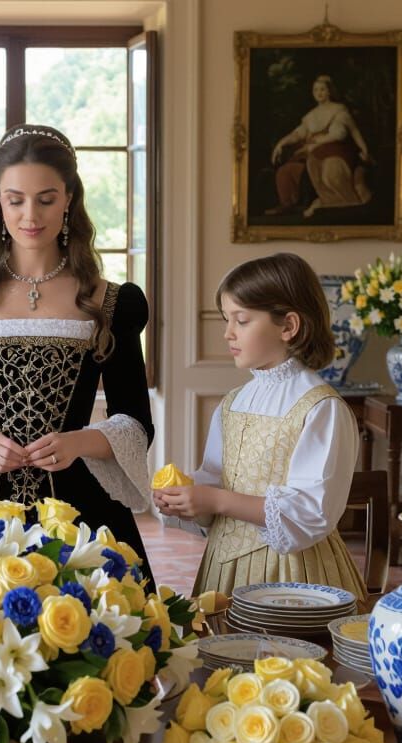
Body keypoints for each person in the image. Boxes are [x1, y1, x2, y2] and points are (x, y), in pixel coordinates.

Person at [0, 124, 156, 583]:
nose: (30, 215)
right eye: (15, 199)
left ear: (69, 198)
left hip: (80, 503)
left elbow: (135, 420)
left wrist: (77, 442)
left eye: (46, 199)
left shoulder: (111, 303)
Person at [154, 253, 366, 599]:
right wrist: (187, 500)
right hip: (222, 571)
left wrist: (216, 499)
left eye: (241, 320)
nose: (227, 333)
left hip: (292, 574)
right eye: (227, 320)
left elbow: (310, 513)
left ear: (288, 326)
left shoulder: (321, 408)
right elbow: (216, 478)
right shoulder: (233, 401)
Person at [267, 75, 373, 218]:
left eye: (322, 89)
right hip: (316, 155)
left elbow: (353, 132)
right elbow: (297, 134)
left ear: (329, 91)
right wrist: (281, 143)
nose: (319, 93)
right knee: (313, 173)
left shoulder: (339, 110)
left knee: (330, 174)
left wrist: (364, 150)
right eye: (315, 90)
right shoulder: (311, 116)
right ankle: (325, 202)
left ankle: (345, 202)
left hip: (338, 153)